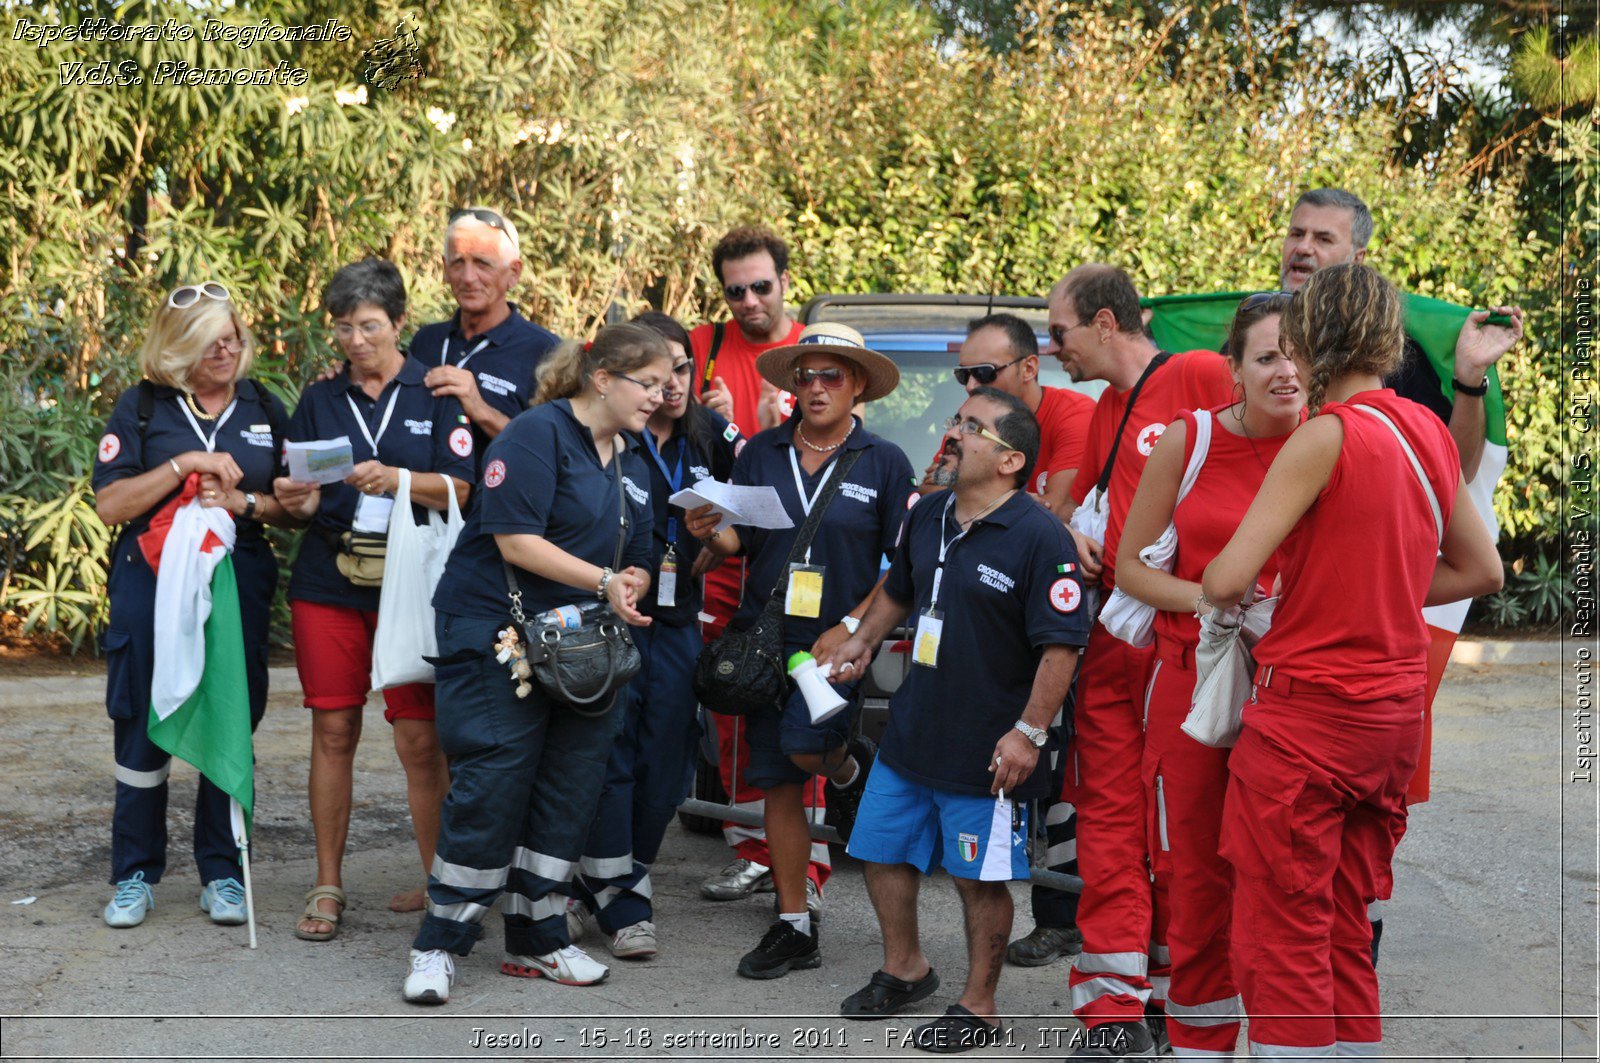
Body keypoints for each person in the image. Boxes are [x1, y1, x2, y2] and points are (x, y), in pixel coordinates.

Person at [1200, 263, 1502, 1057]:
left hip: (1309, 721)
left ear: (1305, 342)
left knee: (1283, 931)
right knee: (1343, 922)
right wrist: (1383, 581)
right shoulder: (1426, 430)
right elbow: (1481, 570)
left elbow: (1228, 578)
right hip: (1391, 723)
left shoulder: (1324, 436)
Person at [1277, 188, 1524, 942]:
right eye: (1297, 232)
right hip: (1271, 633)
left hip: (1349, 644)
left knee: (1346, 828)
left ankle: (1349, 951)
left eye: (1324, 237)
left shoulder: (1398, 363)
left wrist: (1471, 379)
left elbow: (1458, 467)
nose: (1304, 248)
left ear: (1358, 258)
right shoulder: (1256, 328)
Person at [402, 323, 670, 1005]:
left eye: (667, 383)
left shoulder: (634, 457)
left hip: (583, 645)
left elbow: (639, 545)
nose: (661, 396)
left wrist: (632, 577)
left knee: (570, 785)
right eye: (649, 382)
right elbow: (516, 540)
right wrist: (604, 579)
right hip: (498, 632)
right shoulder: (535, 434)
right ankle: (439, 942)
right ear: (603, 377)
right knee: (493, 782)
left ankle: (539, 935)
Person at [822, 388, 1089, 1052]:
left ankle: (980, 1004)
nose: (955, 432)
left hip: (988, 748)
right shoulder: (931, 512)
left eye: (975, 427)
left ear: (1010, 460)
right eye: (958, 420)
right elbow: (899, 590)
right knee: (879, 850)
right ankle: (905, 966)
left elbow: (1062, 647)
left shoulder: (1040, 537)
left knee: (978, 878)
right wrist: (860, 637)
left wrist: (1028, 732)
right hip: (913, 732)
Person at [1042, 263, 1234, 1058]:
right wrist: (1072, 537)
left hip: (1180, 647)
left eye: (1061, 334)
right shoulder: (1105, 409)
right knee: (1111, 825)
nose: (1057, 352)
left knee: (1178, 838)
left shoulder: (1195, 372)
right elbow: (1071, 506)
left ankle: (1182, 998)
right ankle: (1114, 1010)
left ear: (1108, 322)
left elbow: (1260, 459)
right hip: (1111, 648)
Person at [686, 322, 914, 979]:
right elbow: (742, 542)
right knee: (778, 779)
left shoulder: (884, 461)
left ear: (858, 385)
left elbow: (904, 562)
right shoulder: (759, 452)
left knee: (807, 749)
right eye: (804, 376)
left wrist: (855, 624)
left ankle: (845, 769)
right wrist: (713, 529)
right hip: (766, 634)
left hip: (834, 638)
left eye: (830, 376)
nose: (814, 387)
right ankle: (793, 924)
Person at [1114, 292, 1303, 1057]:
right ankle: (1201, 1045)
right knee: (1194, 881)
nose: (1286, 370)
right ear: (1235, 368)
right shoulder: (1189, 440)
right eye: (1266, 355)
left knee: (1288, 881)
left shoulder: (1338, 440)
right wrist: (1218, 603)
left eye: (1298, 354)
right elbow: (1129, 568)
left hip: (1295, 694)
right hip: (1194, 680)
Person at [273, 260, 475, 942]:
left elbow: (466, 489)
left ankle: (440, 880)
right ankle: (328, 883)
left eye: (368, 325)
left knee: (420, 740)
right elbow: (296, 496)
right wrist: (294, 503)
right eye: (342, 327)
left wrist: (400, 478)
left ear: (397, 322)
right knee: (332, 732)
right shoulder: (321, 397)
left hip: (412, 582)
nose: (355, 340)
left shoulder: (434, 389)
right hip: (329, 581)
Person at [93, 281, 291, 928]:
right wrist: (184, 464)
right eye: (212, 340)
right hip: (149, 585)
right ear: (181, 346)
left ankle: (225, 872)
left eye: (233, 336)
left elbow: (303, 503)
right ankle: (134, 873)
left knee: (230, 714)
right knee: (142, 718)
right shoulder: (144, 407)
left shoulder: (264, 406)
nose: (228, 349)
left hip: (240, 583)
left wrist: (247, 503)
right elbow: (111, 504)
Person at [915, 312, 1095, 969]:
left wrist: (986, 498)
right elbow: (932, 499)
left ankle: (1062, 920)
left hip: (1060, 623)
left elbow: (1058, 516)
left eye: (982, 373)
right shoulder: (971, 423)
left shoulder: (1072, 414)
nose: (968, 387)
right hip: (977, 626)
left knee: (1060, 776)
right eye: (962, 373)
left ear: (1029, 367)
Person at [568, 311, 743, 960]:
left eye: (681, 366)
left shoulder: (712, 434)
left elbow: (741, 531)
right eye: (657, 368)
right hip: (611, 617)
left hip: (677, 621)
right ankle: (624, 900)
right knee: (609, 753)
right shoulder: (610, 428)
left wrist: (715, 539)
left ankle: (611, 879)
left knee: (666, 766)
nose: (670, 382)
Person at [687, 225, 830, 914]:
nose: (747, 301)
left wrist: (772, 420)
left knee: (806, 706)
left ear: (784, 281)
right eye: (733, 290)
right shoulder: (701, 345)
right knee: (732, 703)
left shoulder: (815, 352)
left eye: (760, 286)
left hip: (798, 564)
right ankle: (752, 851)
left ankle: (809, 865)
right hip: (724, 553)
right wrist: (696, 411)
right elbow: (617, 375)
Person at [412, 206, 561, 467]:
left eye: (483, 263)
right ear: (445, 269)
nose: (469, 278)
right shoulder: (427, 340)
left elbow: (554, 455)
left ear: (514, 273)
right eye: (458, 262)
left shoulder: (546, 352)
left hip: (495, 506)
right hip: (420, 502)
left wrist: (479, 408)